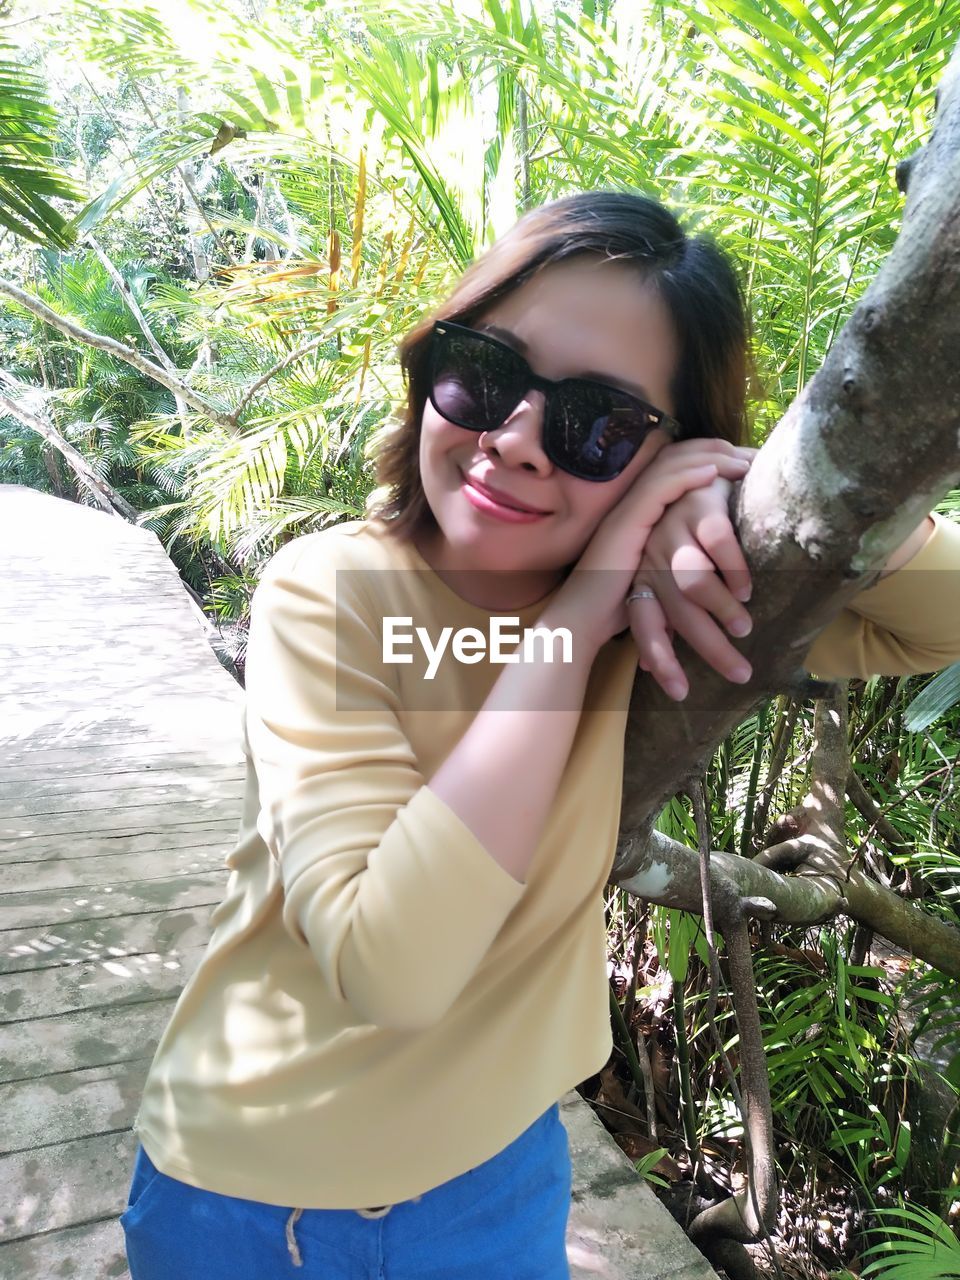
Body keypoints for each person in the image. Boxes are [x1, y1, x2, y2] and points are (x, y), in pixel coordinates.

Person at [120, 191, 960, 1280]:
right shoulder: (333, 592)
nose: (514, 439)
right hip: (257, 1197)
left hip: (501, 1177)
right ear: (432, 365)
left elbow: (939, 619)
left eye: (598, 424)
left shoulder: (675, 600)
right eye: (485, 373)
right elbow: (393, 964)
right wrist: (579, 618)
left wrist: (752, 485)